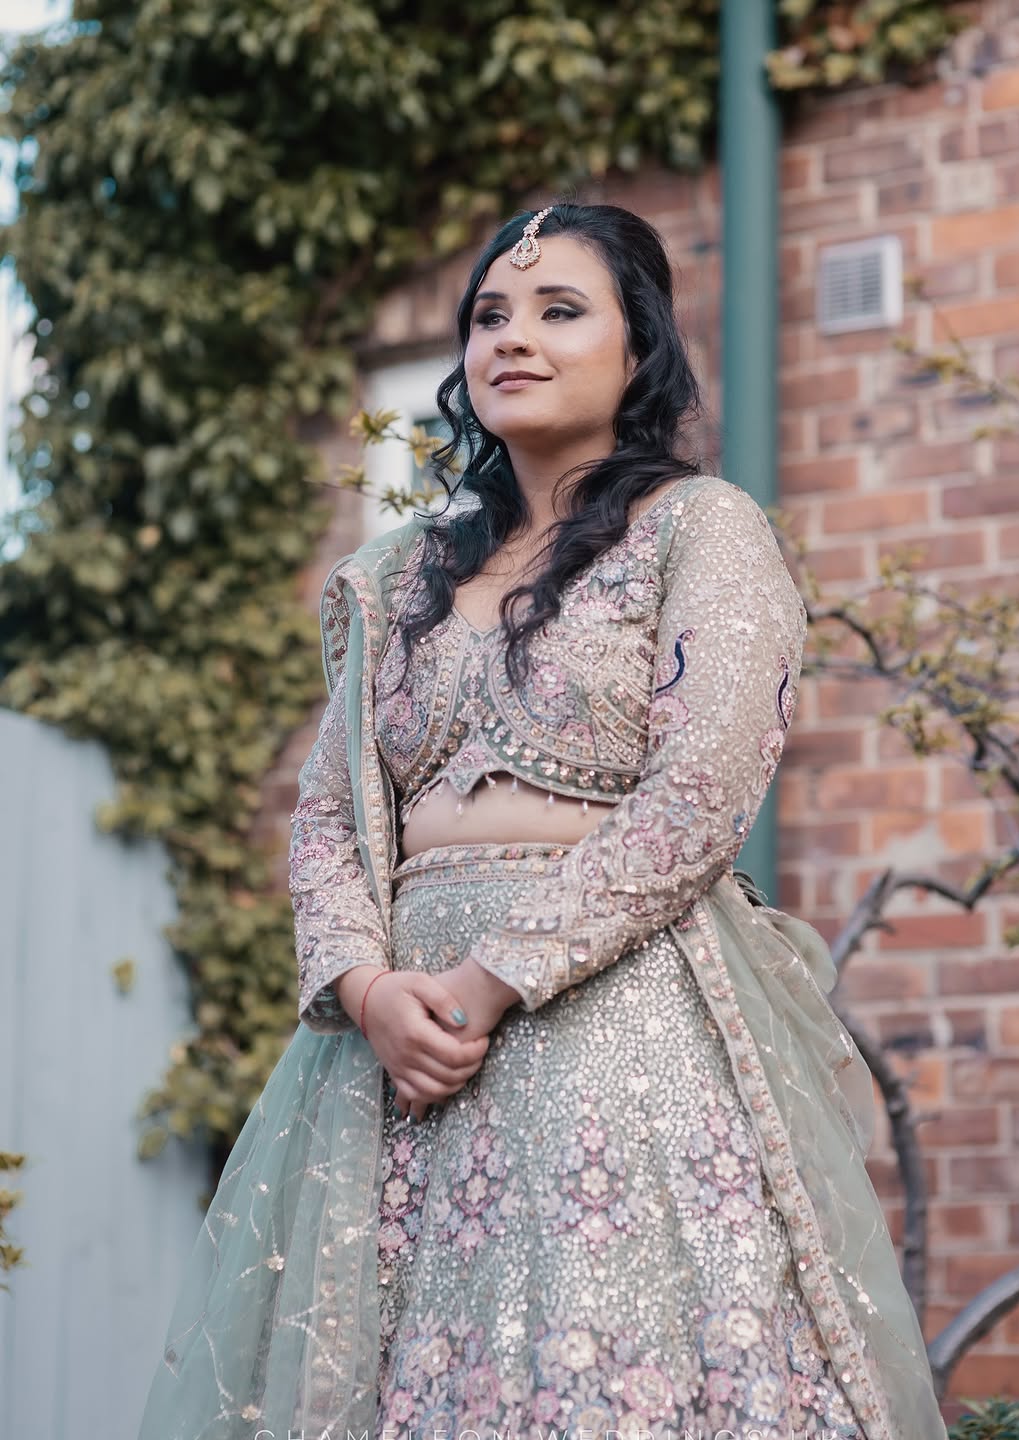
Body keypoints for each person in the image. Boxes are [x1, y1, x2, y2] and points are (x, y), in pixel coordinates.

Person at [137, 202, 947, 1440]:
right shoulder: (401, 575)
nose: (513, 337)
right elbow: (331, 819)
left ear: (640, 350)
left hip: (611, 1036)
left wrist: (490, 979)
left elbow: (702, 794)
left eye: (561, 311)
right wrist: (367, 990)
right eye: (489, 316)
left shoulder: (698, 529)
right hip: (392, 1071)